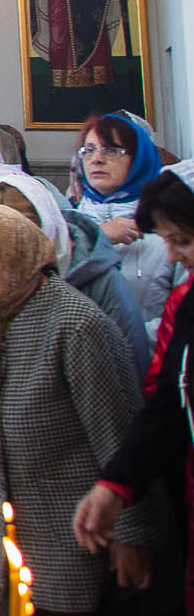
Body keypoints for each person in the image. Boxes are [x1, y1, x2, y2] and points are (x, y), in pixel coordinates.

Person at [0, 205, 159, 616]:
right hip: (10, 521)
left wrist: (131, 535)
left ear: (18, 258)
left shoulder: (75, 323)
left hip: (74, 526)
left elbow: (119, 434)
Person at [75, 171, 194, 613]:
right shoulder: (187, 303)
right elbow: (168, 404)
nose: (175, 257)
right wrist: (116, 485)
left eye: (184, 241)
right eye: (169, 243)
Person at [0, 173, 150, 377]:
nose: (9, 256)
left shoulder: (101, 283)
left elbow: (129, 366)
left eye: (19, 241)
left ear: (44, 230)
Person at [73, 113, 178, 327]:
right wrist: (98, 237)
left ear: (139, 159)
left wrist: (127, 342)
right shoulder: (67, 224)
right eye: (89, 150)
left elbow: (183, 315)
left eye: (111, 150)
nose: (96, 159)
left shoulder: (171, 227)